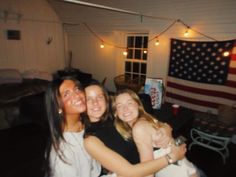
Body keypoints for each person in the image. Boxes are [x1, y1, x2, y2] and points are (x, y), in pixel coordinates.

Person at [84, 82, 187, 177]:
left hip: (172, 169)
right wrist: (171, 157)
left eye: (99, 97)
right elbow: (130, 172)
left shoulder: (117, 116)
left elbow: (148, 115)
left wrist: (166, 129)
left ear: (106, 100)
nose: (95, 102)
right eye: (88, 99)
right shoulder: (90, 139)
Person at [113, 89, 199, 177]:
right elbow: (178, 139)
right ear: (116, 112)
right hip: (189, 170)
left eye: (129, 103)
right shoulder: (148, 120)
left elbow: (148, 172)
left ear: (138, 105)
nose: (125, 108)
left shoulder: (139, 128)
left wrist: (175, 150)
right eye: (119, 106)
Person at [44, 77, 103, 177]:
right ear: (58, 107)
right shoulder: (62, 153)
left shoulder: (86, 123)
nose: (77, 95)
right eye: (66, 94)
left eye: (76, 89)